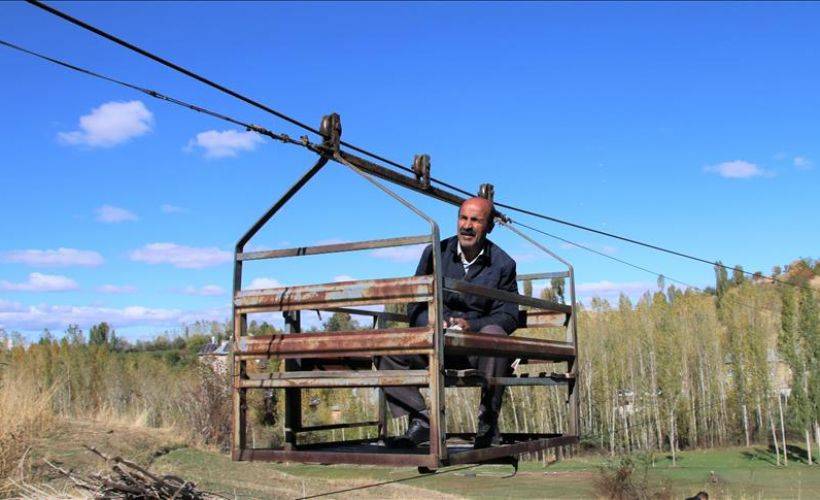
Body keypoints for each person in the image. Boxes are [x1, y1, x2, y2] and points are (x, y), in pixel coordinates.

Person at [378, 196, 519, 449]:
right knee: (386, 346)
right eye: (463, 218)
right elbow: (415, 303)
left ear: (489, 226)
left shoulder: (503, 264)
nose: (467, 225)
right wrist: (435, 321)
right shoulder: (435, 253)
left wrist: (471, 326)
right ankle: (421, 420)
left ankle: (488, 421)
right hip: (435, 343)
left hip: (474, 349)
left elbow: (508, 315)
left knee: (496, 335)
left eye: (475, 220)